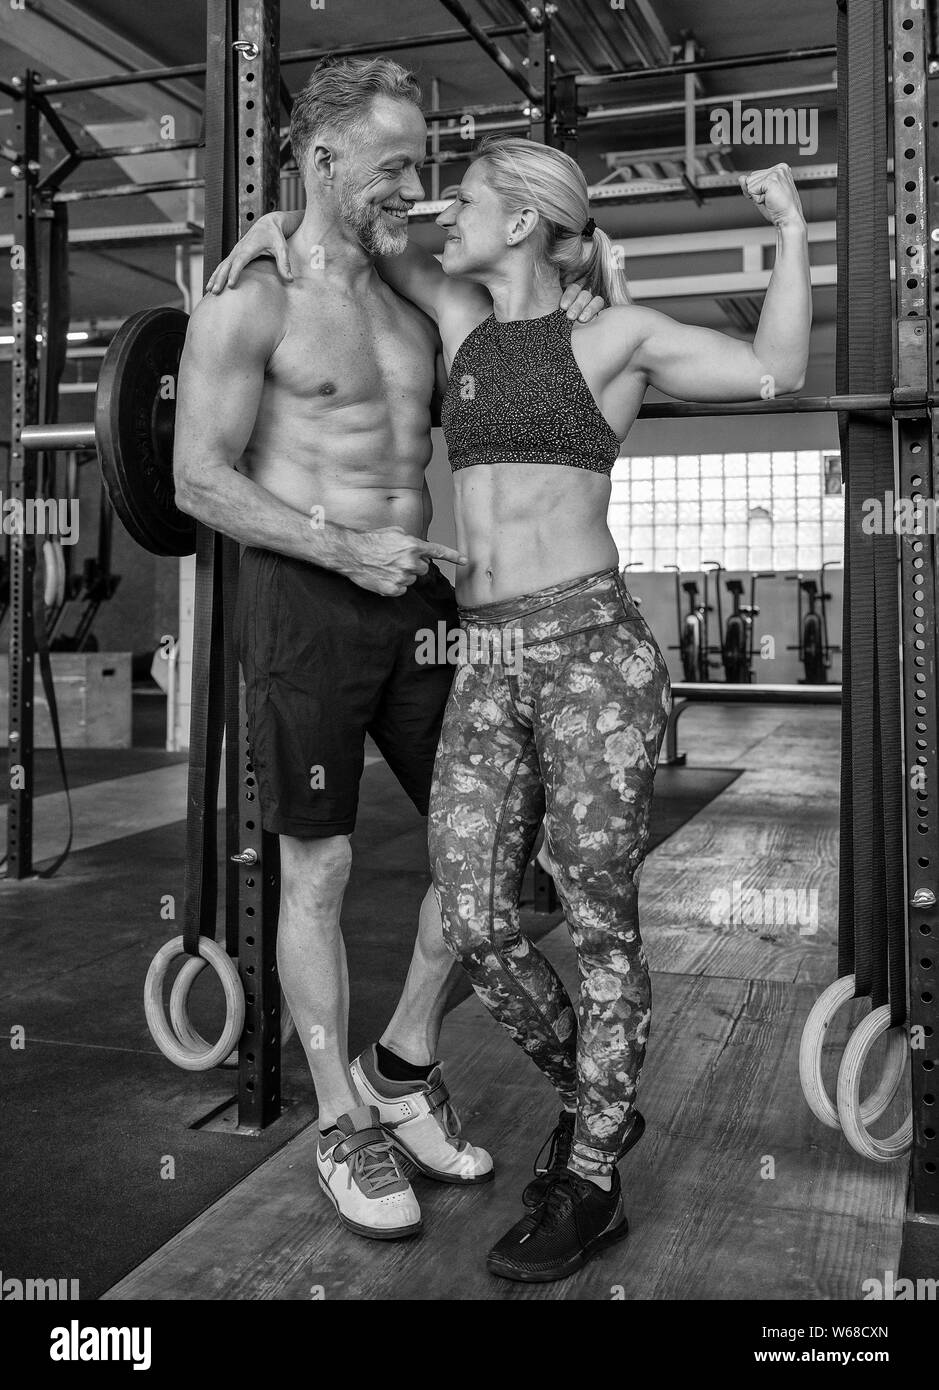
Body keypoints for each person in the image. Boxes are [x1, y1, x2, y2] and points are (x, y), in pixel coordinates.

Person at [212, 136, 810, 1281]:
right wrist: (272, 232)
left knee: (597, 921)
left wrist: (785, 225)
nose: (443, 216)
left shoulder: (615, 338)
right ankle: (600, 1090)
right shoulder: (455, 320)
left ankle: (589, 1176)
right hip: (486, 659)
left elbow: (776, 368)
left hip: (592, 657)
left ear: (524, 222)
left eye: (468, 200)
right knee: (480, 915)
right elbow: (357, 223)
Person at [175, 56, 602, 1244]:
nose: (414, 187)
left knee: (500, 858)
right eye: (394, 163)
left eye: (421, 164)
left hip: (417, 607)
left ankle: (403, 1064)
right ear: (322, 160)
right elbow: (194, 478)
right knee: (319, 870)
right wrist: (339, 542)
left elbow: (538, 246)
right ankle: (337, 1120)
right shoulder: (249, 299)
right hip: (307, 608)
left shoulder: (410, 274)